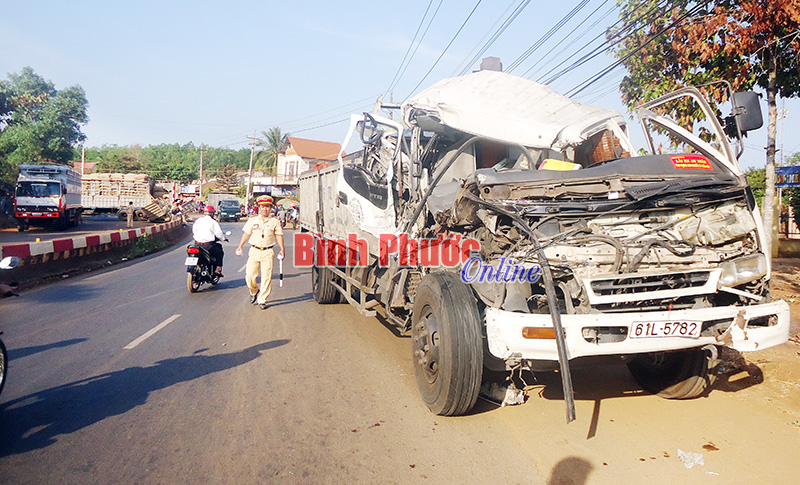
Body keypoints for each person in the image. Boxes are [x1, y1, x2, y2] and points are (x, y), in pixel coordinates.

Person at [235, 195, 284, 310]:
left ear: (270, 208)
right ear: (259, 208)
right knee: (250, 276)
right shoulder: (252, 220)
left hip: (268, 251)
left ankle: (262, 299)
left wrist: (282, 249)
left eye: (267, 207)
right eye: (263, 207)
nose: (265, 209)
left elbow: (279, 235)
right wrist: (240, 246)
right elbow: (246, 233)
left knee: (267, 277)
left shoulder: (274, 221)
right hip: (254, 251)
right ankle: (254, 291)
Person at [192, 205, 225, 276]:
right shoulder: (213, 222)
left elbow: (194, 231)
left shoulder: (198, 221)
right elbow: (219, 234)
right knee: (219, 252)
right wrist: (223, 238)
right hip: (208, 245)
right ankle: (218, 269)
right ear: (212, 213)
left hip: (197, 244)